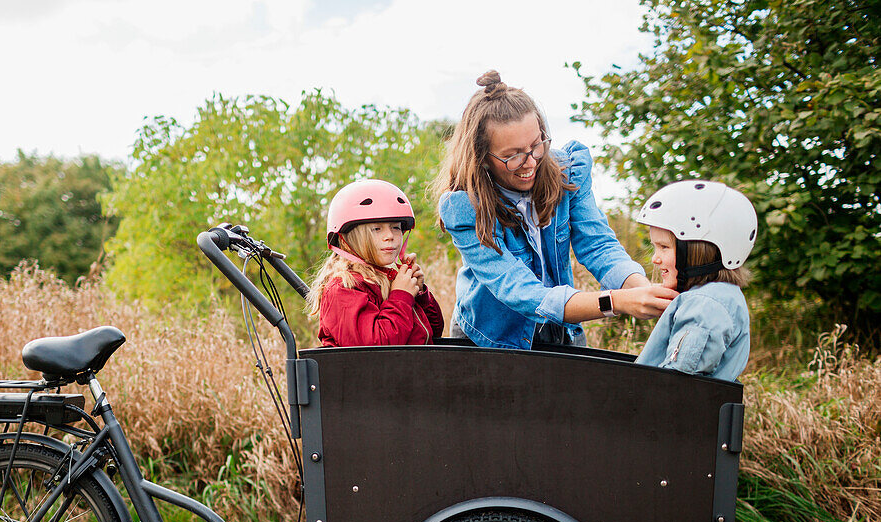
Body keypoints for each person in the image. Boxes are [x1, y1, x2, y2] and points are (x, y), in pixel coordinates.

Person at [434, 70, 677, 348]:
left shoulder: (568, 173)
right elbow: (521, 292)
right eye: (513, 156)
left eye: (537, 145)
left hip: (560, 329)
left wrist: (641, 289)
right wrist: (615, 302)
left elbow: (598, 245)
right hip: (492, 338)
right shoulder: (464, 208)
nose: (531, 162)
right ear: (482, 158)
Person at [634, 180, 756, 380]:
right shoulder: (719, 296)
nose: (655, 258)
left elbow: (675, 384)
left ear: (698, 252)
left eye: (664, 247)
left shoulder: (705, 306)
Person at [309, 179, 444, 347]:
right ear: (346, 238)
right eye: (377, 229)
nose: (390, 236)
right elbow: (375, 349)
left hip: (412, 368)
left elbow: (434, 332)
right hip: (374, 372)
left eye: (396, 227)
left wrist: (419, 293)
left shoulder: (389, 279)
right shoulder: (343, 288)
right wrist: (402, 296)